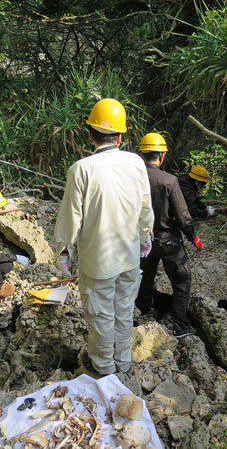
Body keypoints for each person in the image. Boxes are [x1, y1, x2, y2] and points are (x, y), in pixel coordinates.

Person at [54, 98, 154, 377]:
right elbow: (145, 206)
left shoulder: (81, 169)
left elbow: (71, 216)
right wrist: (145, 237)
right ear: (121, 135)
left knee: (100, 315)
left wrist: (64, 250)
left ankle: (103, 365)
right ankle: (123, 362)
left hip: (97, 260)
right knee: (124, 310)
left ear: (90, 134)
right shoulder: (136, 162)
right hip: (129, 255)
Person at [135, 133, 203, 338]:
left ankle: (144, 312)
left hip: (141, 240)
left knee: (144, 278)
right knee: (182, 280)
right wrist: (193, 237)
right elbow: (182, 215)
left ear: (142, 153)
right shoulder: (169, 180)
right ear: (162, 155)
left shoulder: (132, 179)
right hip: (168, 240)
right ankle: (180, 324)